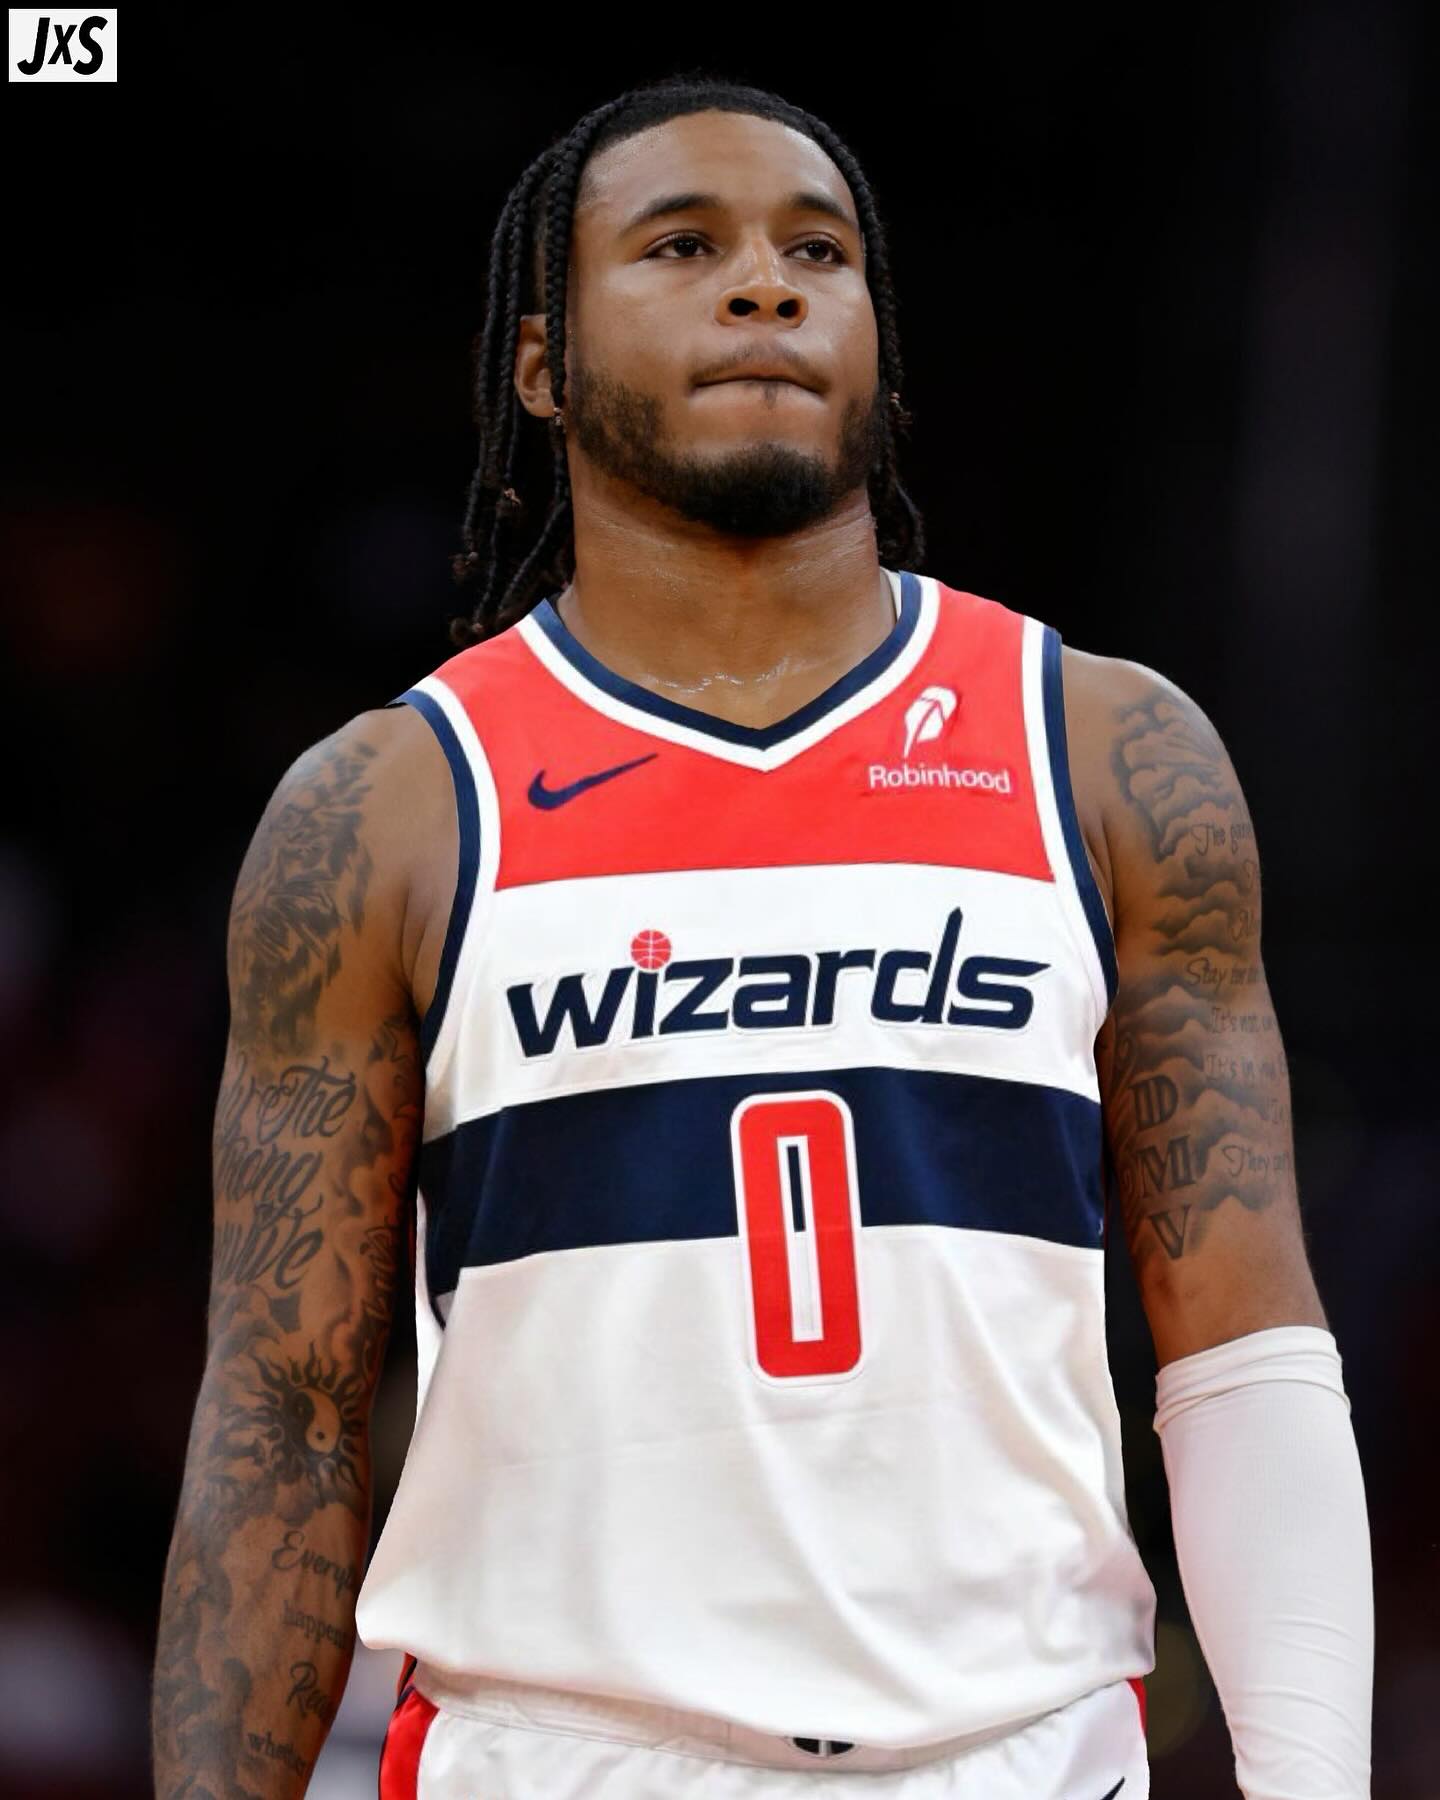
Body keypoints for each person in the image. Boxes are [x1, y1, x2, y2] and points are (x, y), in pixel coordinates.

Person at [151, 75, 1373, 1800]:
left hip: (1027, 1753)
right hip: (560, 1755)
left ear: (878, 339)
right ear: (541, 365)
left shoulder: (1104, 750)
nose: (764, 285)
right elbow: (280, 1415)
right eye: (681, 246)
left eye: (819, 251)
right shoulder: (392, 807)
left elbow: (1244, 1357)